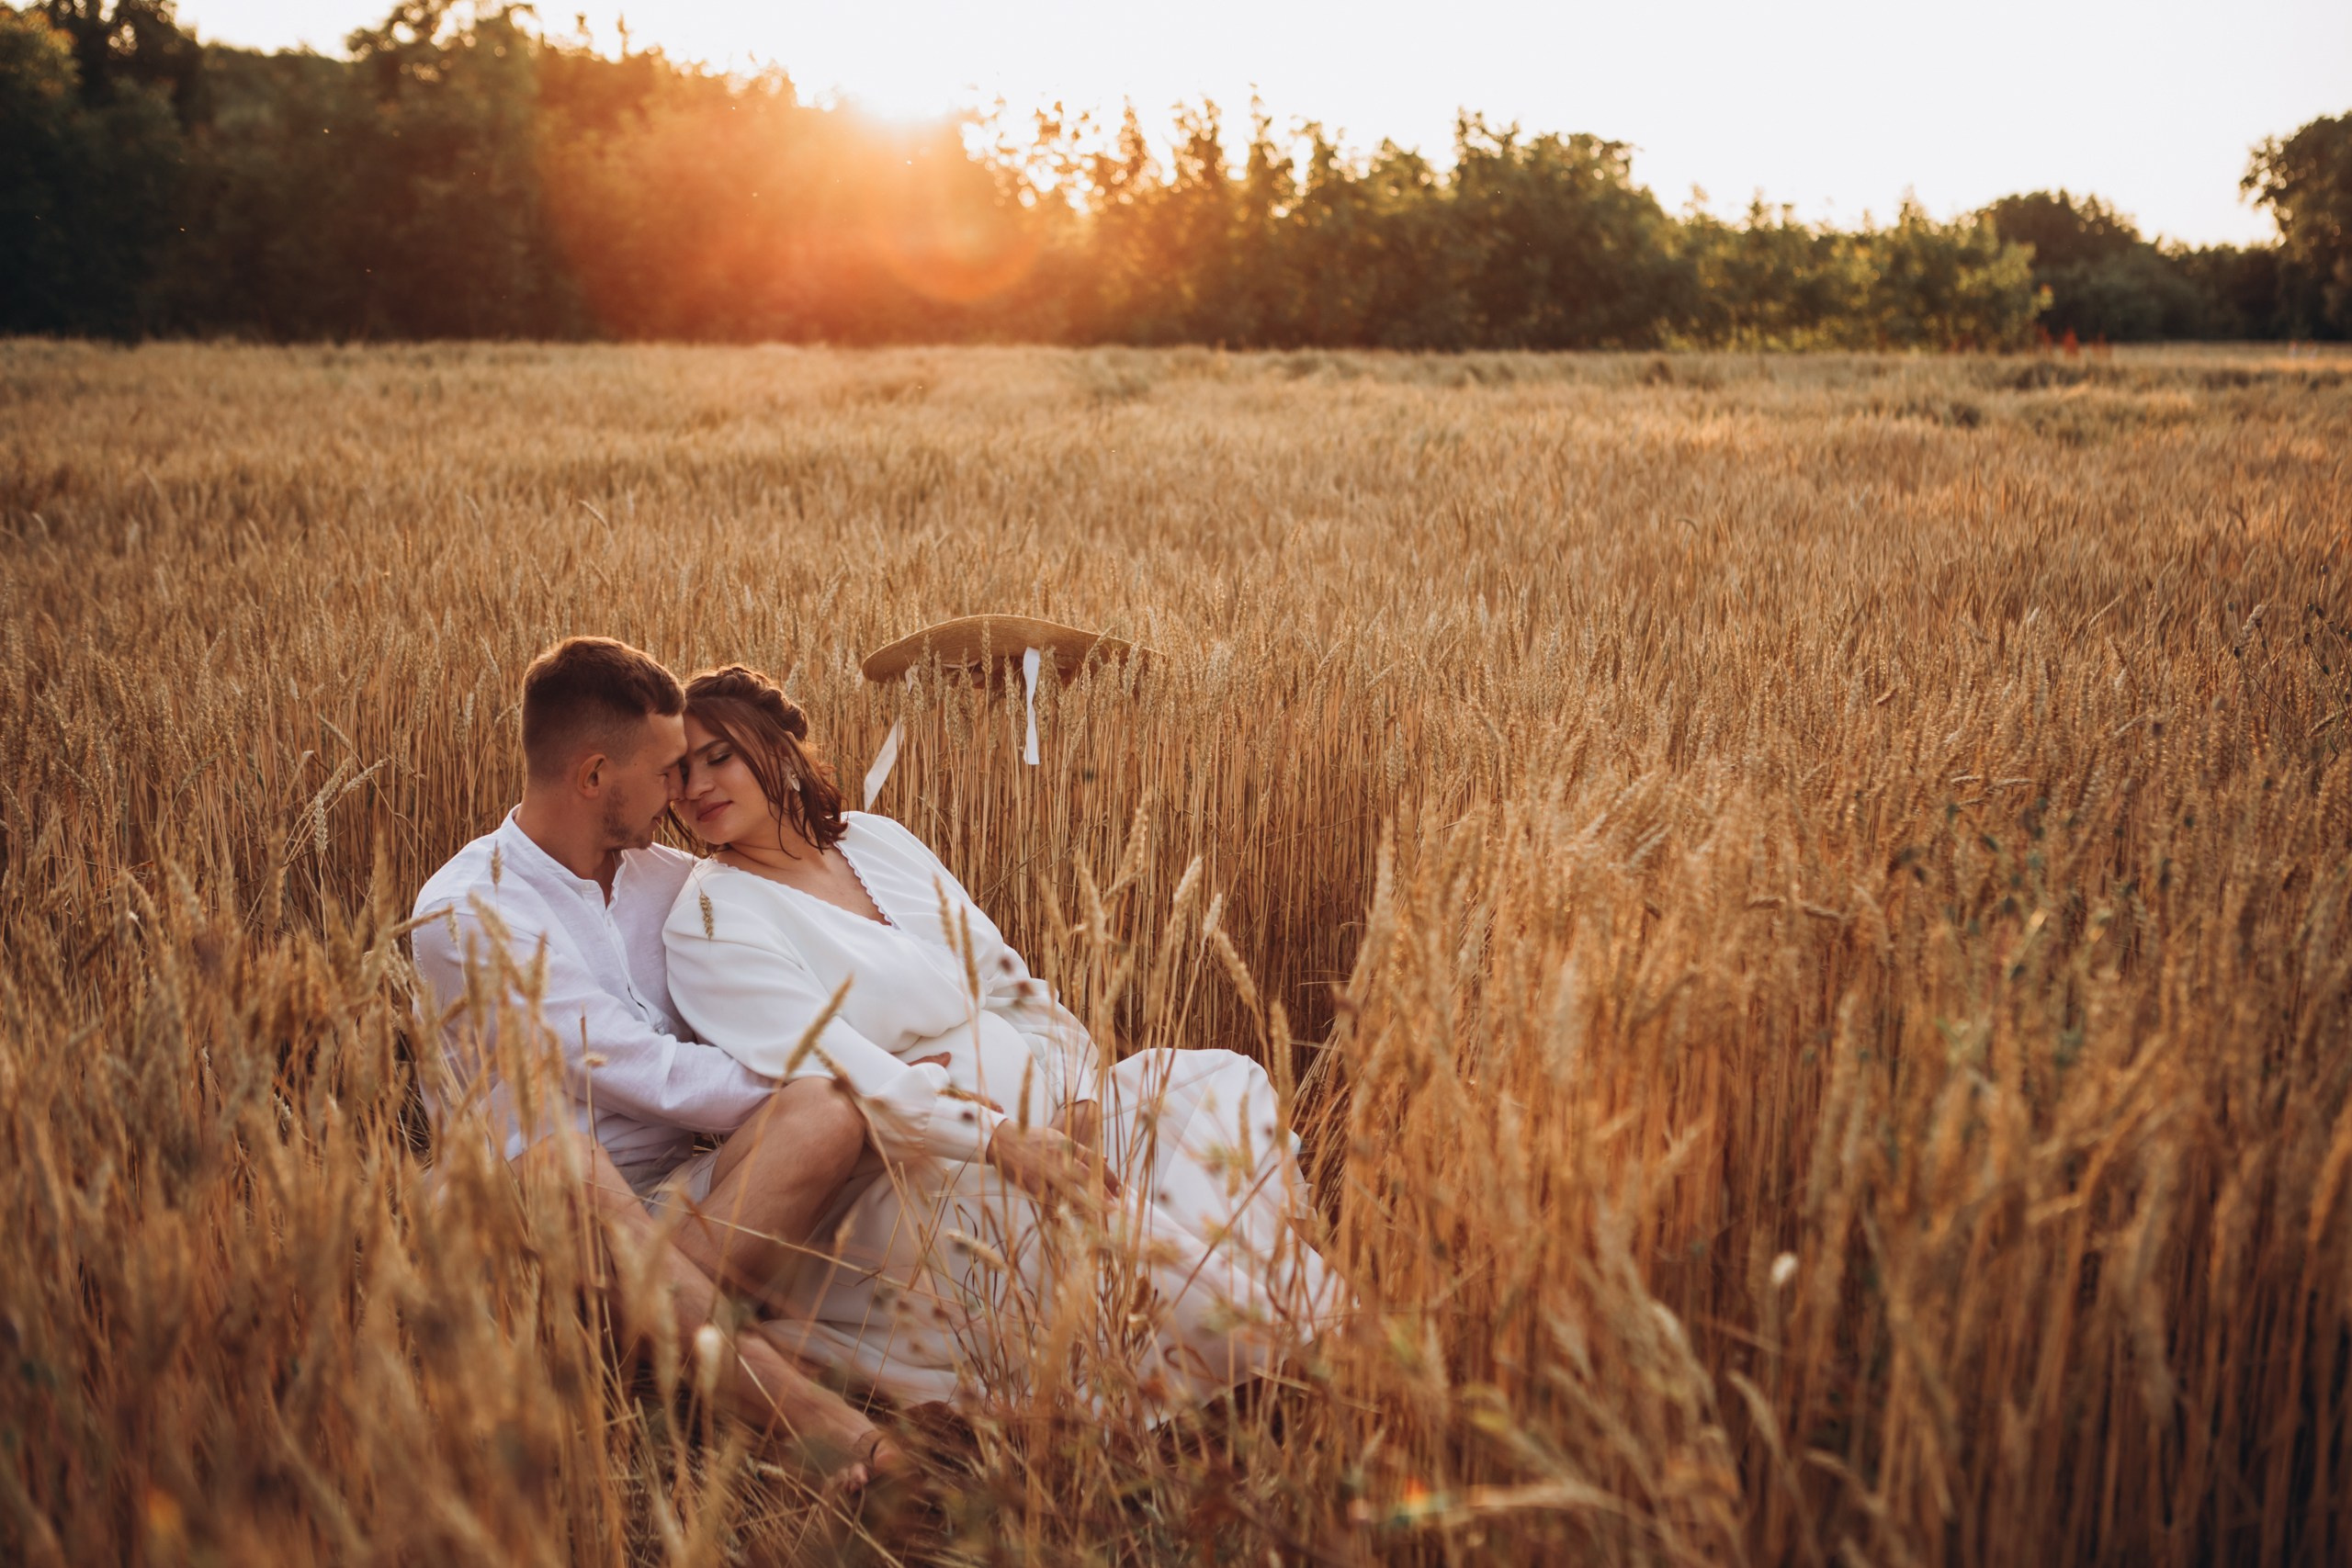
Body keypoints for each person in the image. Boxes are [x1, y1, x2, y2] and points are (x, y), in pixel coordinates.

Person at [662, 663, 1343, 1417]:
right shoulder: (711, 918)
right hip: (911, 1169)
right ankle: (1270, 1350)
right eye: (678, 771)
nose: (695, 786)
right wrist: (1000, 1139)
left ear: (781, 752)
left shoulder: (876, 840)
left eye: (717, 756)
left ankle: (1266, 1315)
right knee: (1083, 1220)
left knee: (1218, 1085)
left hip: (1044, 1111)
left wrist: (1080, 1097)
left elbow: (1013, 985)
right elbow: (842, 1076)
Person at [408, 637, 906, 1487]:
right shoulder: (466, 912)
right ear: (596, 776)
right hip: (532, 1222)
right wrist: (837, 1073)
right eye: (668, 769)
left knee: (825, 1109)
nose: (684, 791)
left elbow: (791, 943)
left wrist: (880, 1057)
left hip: (687, 1209)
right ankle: (808, 1416)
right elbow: (650, 1070)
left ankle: (633, 1345)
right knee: (567, 1162)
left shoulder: (665, 877)